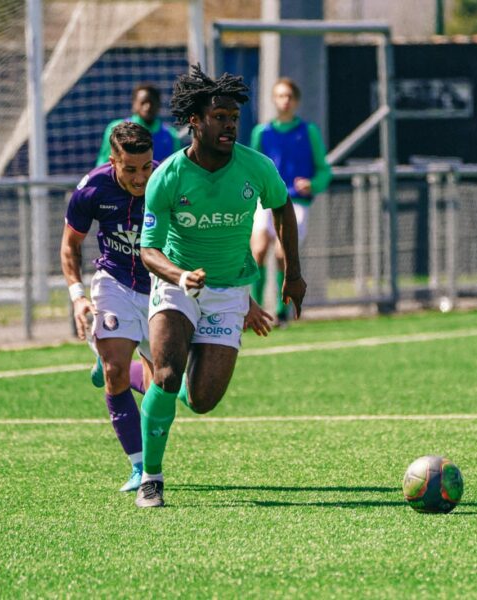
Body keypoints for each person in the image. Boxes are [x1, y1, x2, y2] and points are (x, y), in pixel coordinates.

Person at [135, 65, 306, 508]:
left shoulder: (256, 167)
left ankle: (144, 374)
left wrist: (293, 274)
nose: (229, 125)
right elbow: (148, 250)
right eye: (220, 117)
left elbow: (283, 209)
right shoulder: (169, 176)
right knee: (170, 376)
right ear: (196, 121)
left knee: (202, 400)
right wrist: (180, 276)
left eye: (234, 117)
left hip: (229, 291)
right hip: (177, 287)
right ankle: (151, 478)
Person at [61, 122, 157, 493]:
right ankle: (139, 466)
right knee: (116, 371)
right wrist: (78, 295)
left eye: (146, 167)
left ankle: (115, 359)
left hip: (159, 289)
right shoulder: (92, 188)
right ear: (113, 161)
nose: (140, 177)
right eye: (130, 169)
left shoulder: (167, 182)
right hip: (113, 282)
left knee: (167, 388)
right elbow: (71, 247)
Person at [249, 77, 331, 324]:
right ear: (274, 99)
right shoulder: (262, 132)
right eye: (280, 96)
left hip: (295, 201)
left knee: (283, 253)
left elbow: (324, 170)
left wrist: (312, 184)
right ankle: (255, 309)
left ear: (296, 101)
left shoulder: (308, 131)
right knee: (259, 249)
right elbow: (253, 168)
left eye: (289, 96)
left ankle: (282, 310)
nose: (285, 101)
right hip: (267, 199)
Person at [95, 83, 183, 166]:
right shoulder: (116, 129)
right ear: (134, 104)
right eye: (143, 102)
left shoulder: (171, 135)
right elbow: (103, 164)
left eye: (151, 103)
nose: (147, 107)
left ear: (159, 104)